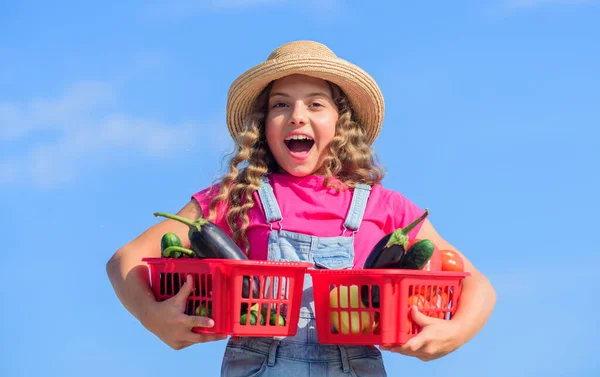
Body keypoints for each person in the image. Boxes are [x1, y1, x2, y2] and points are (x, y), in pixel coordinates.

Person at [106, 40, 496, 376]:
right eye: (280, 105)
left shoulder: (383, 206)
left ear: (341, 124)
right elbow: (126, 259)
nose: (297, 115)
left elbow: (477, 285)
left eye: (315, 104)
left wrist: (455, 333)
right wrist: (152, 316)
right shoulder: (238, 196)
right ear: (263, 125)